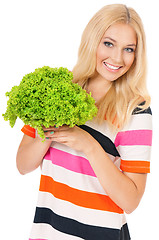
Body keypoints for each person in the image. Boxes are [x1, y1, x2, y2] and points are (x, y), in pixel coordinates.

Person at [16, 4, 152, 240]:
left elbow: (131, 201)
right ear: (93, 40)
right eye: (108, 43)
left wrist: (88, 145)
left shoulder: (135, 110)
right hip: (47, 232)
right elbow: (22, 165)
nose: (117, 58)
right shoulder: (58, 88)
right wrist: (50, 130)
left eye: (128, 49)